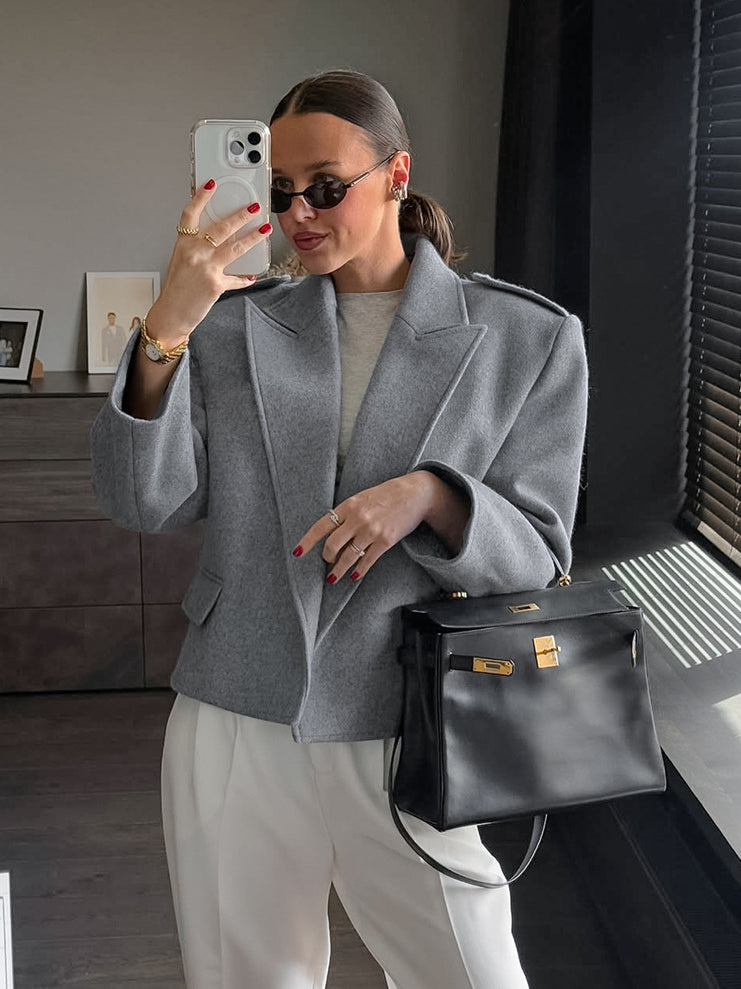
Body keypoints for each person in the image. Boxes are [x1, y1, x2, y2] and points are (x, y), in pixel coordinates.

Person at [89, 69, 588, 989]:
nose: (297, 212)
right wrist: (167, 325)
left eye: (325, 185)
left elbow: (542, 554)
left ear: (396, 173)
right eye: (279, 191)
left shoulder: (527, 337)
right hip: (235, 711)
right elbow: (143, 503)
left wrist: (434, 496)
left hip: (413, 719)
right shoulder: (231, 327)